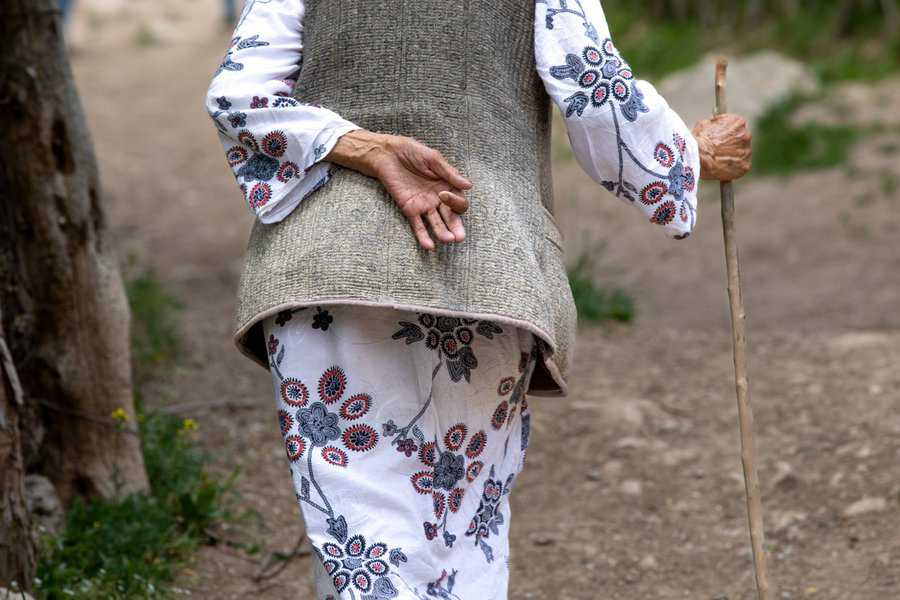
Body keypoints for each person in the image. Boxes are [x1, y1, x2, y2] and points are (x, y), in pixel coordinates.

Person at [205, 1, 752, 597]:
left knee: (357, 540)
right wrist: (686, 156)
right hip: (482, 269)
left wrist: (364, 146)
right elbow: (594, 91)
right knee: (461, 532)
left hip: (324, 274)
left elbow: (238, 96)